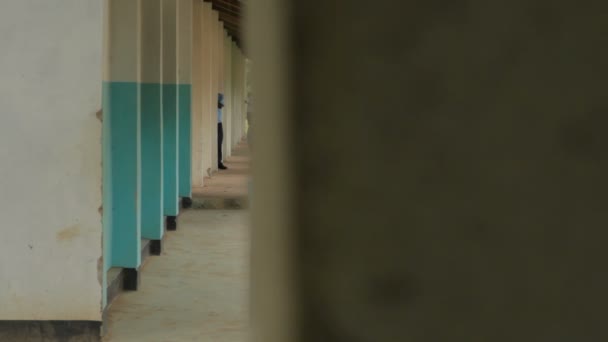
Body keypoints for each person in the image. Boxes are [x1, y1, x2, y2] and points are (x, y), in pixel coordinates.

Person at [218, 93, 227, 170]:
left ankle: (219, 162)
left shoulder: (221, 95)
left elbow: (220, 105)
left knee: (219, 142)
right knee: (217, 143)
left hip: (218, 123)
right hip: (214, 123)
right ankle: (218, 162)